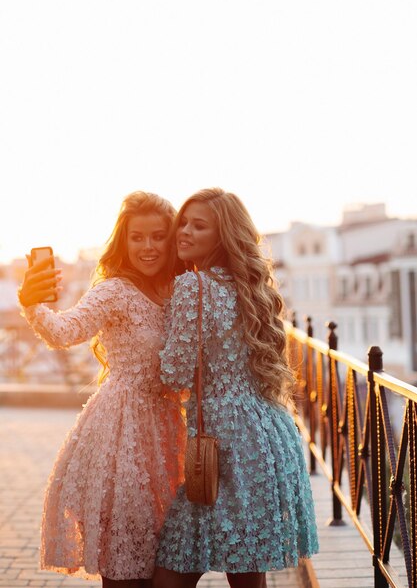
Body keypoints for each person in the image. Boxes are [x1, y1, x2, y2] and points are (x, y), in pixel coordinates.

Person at [18, 192, 186, 588]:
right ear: (123, 242)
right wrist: (31, 303)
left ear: (172, 239)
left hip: (167, 430)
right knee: (123, 560)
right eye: (137, 237)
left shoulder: (181, 289)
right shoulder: (114, 290)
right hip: (120, 432)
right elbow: (64, 332)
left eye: (158, 236)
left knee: (160, 554)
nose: (147, 246)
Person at [152, 188, 319, 588]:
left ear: (223, 236)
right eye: (184, 223)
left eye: (199, 225)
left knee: (172, 571)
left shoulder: (193, 288)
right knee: (246, 572)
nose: (185, 232)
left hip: (223, 445)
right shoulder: (251, 288)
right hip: (269, 438)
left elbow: (173, 375)